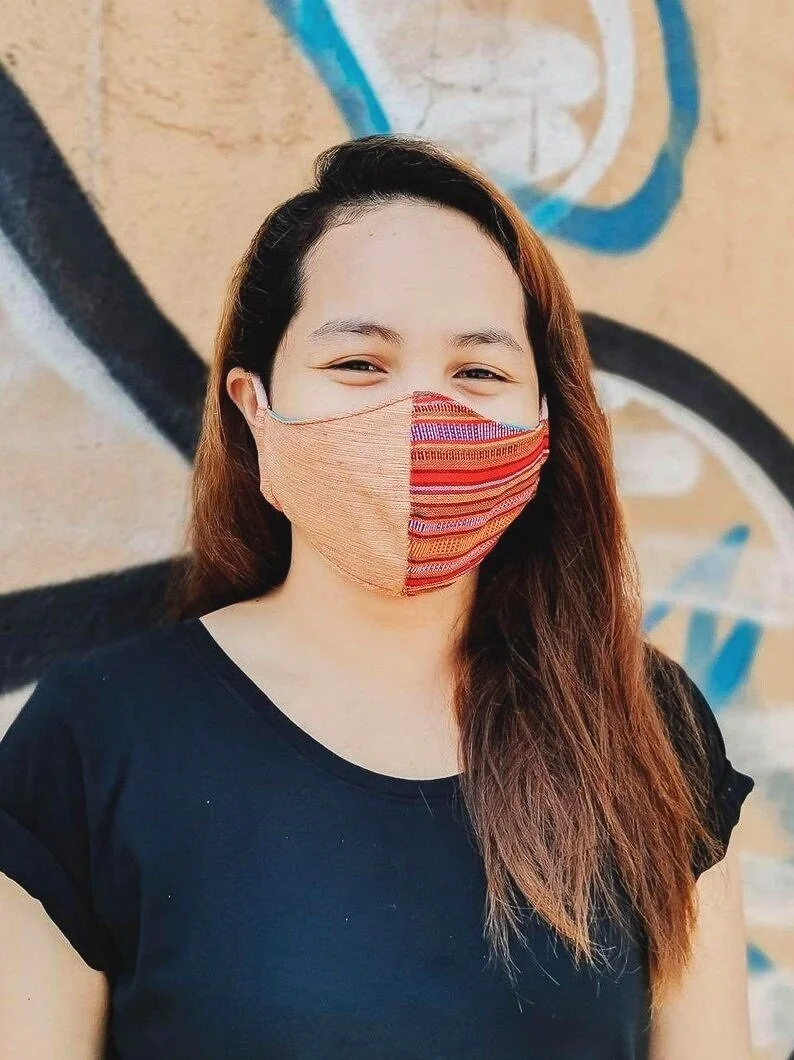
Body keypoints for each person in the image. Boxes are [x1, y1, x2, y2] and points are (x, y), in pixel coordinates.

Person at [0, 134, 755, 1059]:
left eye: (479, 371)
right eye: (359, 363)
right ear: (254, 406)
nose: (422, 417)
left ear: (546, 422)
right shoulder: (96, 738)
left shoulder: (646, 725)